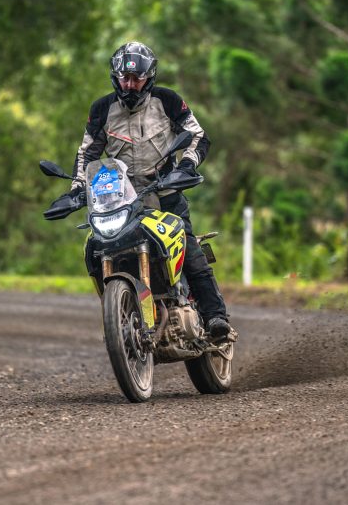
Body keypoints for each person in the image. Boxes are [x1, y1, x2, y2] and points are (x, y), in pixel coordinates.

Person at [69, 41, 230, 338]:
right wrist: (78, 187)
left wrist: (186, 167)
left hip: (166, 192)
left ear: (149, 77)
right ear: (115, 77)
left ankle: (216, 317)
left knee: (190, 251)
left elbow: (197, 136)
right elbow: (88, 154)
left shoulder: (167, 101)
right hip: (120, 200)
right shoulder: (102, 109)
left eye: (137, 79)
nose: (130, 85)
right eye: (124, 78)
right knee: (96, 248)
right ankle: (118, 315)